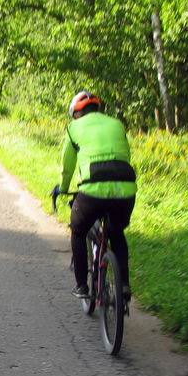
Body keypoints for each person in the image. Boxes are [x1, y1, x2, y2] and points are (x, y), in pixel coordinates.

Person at [56, 91, 137, 300]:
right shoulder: (117, 124)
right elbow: (125, 155)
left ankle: (82, 285)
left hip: (92, 190)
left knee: (78, 231)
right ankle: (125, 286)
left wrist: (63, 188)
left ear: (75, 113)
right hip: (126, 188)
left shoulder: (73, 128)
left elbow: (68, 165)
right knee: (116, 232)